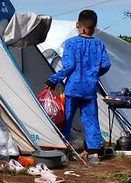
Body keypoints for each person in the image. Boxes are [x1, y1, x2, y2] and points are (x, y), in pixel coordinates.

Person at [45, 9, 111, 165]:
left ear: (77, 25)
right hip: (89, 89)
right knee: (91, 120)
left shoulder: (71, 43)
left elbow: (69, 66)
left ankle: (63, 148)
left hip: (73, 88)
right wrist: (94, 74)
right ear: (95, 27)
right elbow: (106, 64)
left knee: (67, 118)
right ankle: (93, 153)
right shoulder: (99, 44)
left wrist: (53, 80)